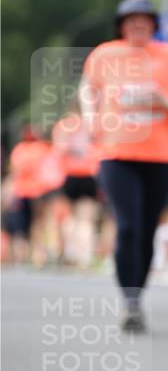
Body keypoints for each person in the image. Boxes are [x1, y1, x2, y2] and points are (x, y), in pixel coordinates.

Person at [79, 0, 168, 331]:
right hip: (116, 153)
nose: (138, 24)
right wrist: (90, 119)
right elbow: (87, 90)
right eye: (131, 20)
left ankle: (137, 297)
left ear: (154, 24)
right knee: (128, 226)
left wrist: (163, 99)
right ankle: (128, 300)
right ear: (121, 25)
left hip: (161, 155)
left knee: (147, 229)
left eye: (144, 19)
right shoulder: (104, 54)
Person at [52, 100, 101, 268]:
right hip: (88, 174)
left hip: (70, 175)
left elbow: (58, 151)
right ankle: (85, 255)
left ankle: (71, 251)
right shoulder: (92, 126)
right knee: (86, 219)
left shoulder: (63, 127)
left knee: (70, 217)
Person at [7, 125, 65, 265]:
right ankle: (45, 252)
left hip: (25, 191)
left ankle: (36, 252)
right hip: (42, 190)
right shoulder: (42, 148)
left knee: (33, 223)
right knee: (45, 221)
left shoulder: (18, 150)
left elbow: (15, 171)